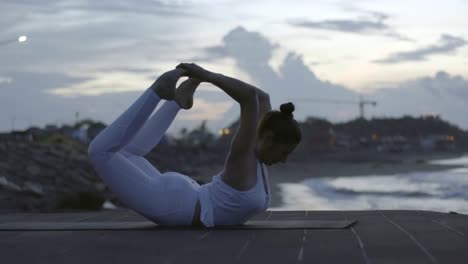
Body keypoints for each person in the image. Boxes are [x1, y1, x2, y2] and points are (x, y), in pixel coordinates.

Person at [87, 63, 302, 227]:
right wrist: (205, 75)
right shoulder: (245, 157)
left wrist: (203, 76)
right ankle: (156, 92)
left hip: (187, 196)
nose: (284, 159)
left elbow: (262, 98)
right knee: (100, 152)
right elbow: (249, 98)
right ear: (269, 139)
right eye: (284, 152)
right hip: (173, 207)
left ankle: (176, 102)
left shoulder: (260, 156)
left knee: (129, 153)